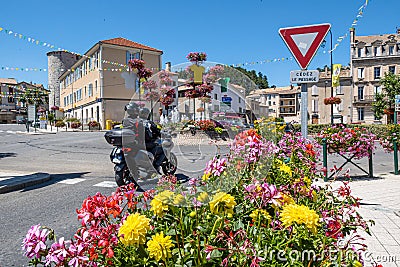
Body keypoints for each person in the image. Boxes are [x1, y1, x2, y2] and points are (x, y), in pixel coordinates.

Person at [139, 107, 165, 174]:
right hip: (147, 144)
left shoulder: (135, 121)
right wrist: (162, 135)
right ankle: (156, 166)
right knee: (163, 149)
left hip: (136, 143)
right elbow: (157, 131)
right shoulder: (149, 123)